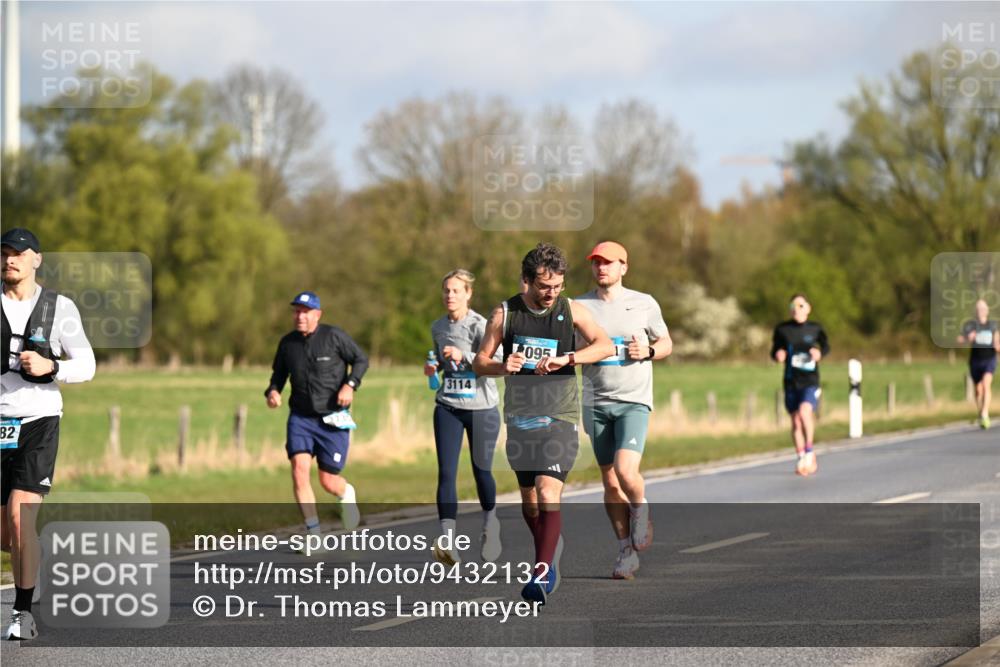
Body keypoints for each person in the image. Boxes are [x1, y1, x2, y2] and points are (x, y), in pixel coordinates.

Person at [473, 243, 613, 605]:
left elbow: (604, 345)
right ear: (526, 281)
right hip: (520, 419)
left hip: (560, 417)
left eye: (557, 286)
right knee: (530, 501)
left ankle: (541, 571)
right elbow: (479, 362)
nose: (551, 293)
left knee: (548, 491)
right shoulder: (504, 314)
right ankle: (548, 550)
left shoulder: (572, 309)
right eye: (543, 286)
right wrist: (504, 366)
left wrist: (570, 357)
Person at [1, 228, 96, 640]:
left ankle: (22, 613)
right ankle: (32, 555)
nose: (10, 260)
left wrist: (51, 368)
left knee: (21, 522)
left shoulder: (60, 308)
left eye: (19, 254)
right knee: (9, 536)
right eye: (5, 253)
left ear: (36, 259)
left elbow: (88, 365)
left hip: (39, 422)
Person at [574, 241, 672, 580]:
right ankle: (624, 550)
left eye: (609, 262)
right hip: (595, 402)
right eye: (596, 262)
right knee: (610, 482)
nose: (602, 267)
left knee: (626, 472)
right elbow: (567, 348)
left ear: (623, 267)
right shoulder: (578, 306)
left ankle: (640, 509)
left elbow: (666, 343)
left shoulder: (643, 303)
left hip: (633, 400)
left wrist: (647, 350)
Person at [266, 291, 369, 540]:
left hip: (333, 417)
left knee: (328, 481)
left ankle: (346, 494)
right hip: (300, 418)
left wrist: (350, 385)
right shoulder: (287, 344)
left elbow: (360, 360)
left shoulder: (333, 336)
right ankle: (314, 533)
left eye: (305, 312)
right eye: (296, 311)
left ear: (317, 315)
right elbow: (278, 376)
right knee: (299, 469)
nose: (300, 316)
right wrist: (273, 391)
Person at [424, 269, 502, 565]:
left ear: (468, 293)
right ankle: (448, 541)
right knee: (446, 472)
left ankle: (491, 524)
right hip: (448, 405)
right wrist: (433, 369)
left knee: (481, 471)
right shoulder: (437, 327)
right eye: (446, 290)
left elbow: (495, 362)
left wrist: (464, 356)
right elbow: (441, 362)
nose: (450, 296)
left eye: (456, 290)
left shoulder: (481, 325)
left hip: (481, 407)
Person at [770, 294, 829, 476]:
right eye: (793, 306)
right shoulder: (783, 329)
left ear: (808, 308)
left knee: (805, 412)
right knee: (795, 422)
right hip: (790, 380)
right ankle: (801, 455)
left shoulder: (815, 328)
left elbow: (826, 346)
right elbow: (775, 350)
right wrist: (778, 355)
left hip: (810, 380)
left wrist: (819, 353)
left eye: (801, 305)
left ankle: (810, 452)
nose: (797, 309)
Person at [957, 298, 998, 429]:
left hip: (989, 359)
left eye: (983, 308)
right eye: (978, 309)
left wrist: (997, 346)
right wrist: (967, 338)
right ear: (975, 311)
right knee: (978, 390)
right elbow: (959, 339)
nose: (981, 311)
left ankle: (985, 413)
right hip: (975, 360)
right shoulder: (970, 325)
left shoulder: (992, 326)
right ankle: (981, 412)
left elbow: (998, 341)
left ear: (987, 311)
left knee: (986, 385)